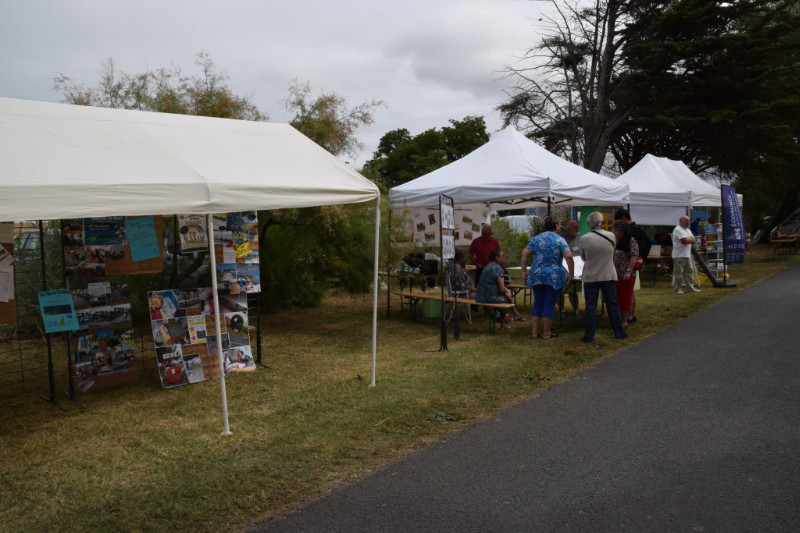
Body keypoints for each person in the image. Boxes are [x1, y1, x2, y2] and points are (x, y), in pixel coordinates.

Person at [520, 216, 574, 340]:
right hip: (553, 276)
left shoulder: (537, 238)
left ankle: (534, 333)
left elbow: (525, 253)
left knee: (538, 302)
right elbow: (569, 257)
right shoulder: (560, 240)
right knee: (549, 303)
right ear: (557, 226)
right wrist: (571, 273)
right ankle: (546, 333)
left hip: (536, 274)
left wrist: (524, 271)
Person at [579, 212, 627, 342]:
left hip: (591, 276)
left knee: (591, 306)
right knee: (612, 304)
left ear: (589, 223)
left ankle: (589, 335)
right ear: (601, 222)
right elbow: (612, 251)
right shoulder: (611, 235)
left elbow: (583, 256)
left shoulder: (584, 238)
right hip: (608, 274)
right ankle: (619, 332)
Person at [613, 209, 651, 323]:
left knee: (628, 293)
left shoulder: (631, 232)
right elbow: (648, 244)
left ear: (624, 218)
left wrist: (634, 264)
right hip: (632, 266)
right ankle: (631, 315)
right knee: (630, 292)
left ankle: (628, 316)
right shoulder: (638, 228)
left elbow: (634, 251)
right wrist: (641, 259)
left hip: (628, 267)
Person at [476, 249, 519, 330]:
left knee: (506, 296)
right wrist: (508, 293)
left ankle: (516, 314)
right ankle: (503, 324)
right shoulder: (498, 268)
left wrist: (506, 291)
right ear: (497, 257)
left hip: (480, 296)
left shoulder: (488, 266)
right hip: (488, 297)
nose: (504, 258)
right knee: (506, 299)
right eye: (502, 256)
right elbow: (502, 289)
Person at [611, 219, 639, 328]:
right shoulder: (613, 240)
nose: (614, 232)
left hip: (626, 274)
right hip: (614, 273)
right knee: (616, 297)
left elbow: (634, 255)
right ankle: (617, 320)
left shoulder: (630, 240)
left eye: (616, 230)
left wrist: (628, 271)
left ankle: (624, 321)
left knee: (625, 298)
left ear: (622, 231)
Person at [671, 215, 701, 294]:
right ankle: (678, 289)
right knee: (679, 273)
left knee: (689, 271)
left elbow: (694, 240)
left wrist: (689, 239)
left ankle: (690, 287)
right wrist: (690, 239)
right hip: (679, 255)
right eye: (686, 220)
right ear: (681, 221)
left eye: (689, 220)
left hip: (687, 254)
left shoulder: (687, 230)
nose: (688, 222)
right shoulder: (677, 229)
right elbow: (683, 241)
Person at [560, 220, 581, 316]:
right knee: (560, 291)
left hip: (576, 270)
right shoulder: (561, 238)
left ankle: (576, 310)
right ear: (568, 228)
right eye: (575, 227)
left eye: (578, 227)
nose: (577, 229)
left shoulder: (580, 239)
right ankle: (562, 311)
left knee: (573, 291)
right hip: (563, 269)